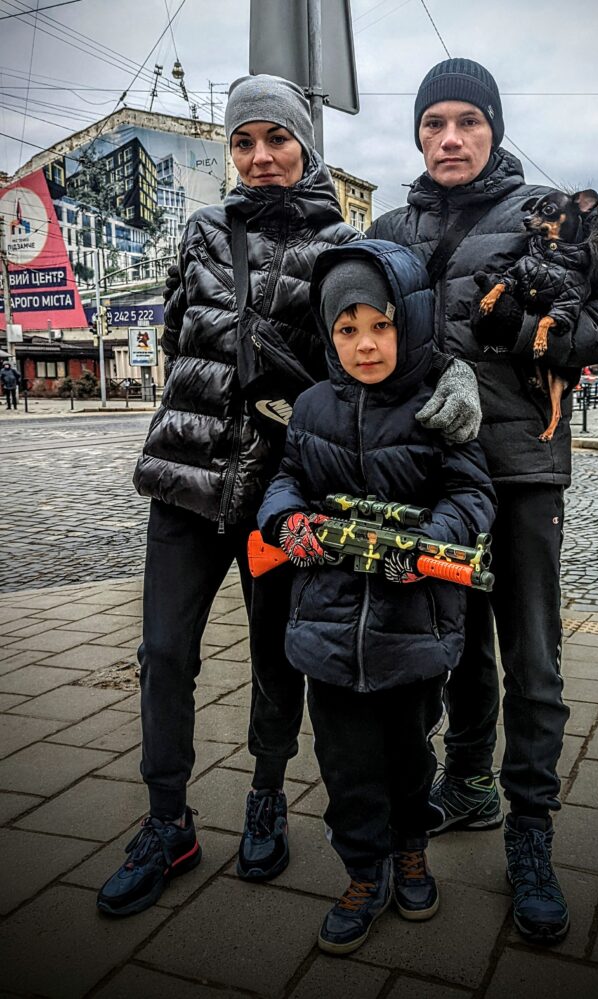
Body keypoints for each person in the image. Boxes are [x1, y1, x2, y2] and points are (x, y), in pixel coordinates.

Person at [96, 74, 481, 918]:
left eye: (277, 138)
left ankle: (265, 795)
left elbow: (392, 327)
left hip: (284, 486)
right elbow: (172, 334)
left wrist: (449, 373)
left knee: (276, 660)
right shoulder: (201, 231)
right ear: (229, 152)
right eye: (243, 141)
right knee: (164, 654)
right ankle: (168, 821)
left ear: (307, 141)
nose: (262, 156)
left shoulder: (342, 240)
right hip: (188, 478)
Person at [368, 57, 598, 944]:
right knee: (453, 647)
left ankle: (531, 830)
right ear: (417, 134)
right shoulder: (390, 225)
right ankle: (469, 784)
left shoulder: (553, 217)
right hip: (428, 472)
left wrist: (536, 332)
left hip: (522, 470)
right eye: (432, 124)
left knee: (531, 655)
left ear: (492, 128)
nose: (449, 138)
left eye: (467, 121)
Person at [257, 240, 496, 954]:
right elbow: (285, 480)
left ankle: (411, 847)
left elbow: (471, 492)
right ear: (329, 335)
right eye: (347, 328)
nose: (365, 344)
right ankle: (363, 871)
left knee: (409, 758)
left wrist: (431, 542)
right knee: (346, 766)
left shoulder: (438, 406)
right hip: (326, 633)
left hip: (412, 631)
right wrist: (285, 521)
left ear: (410, 322)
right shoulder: (308, 406)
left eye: (381, 325)